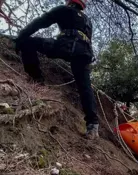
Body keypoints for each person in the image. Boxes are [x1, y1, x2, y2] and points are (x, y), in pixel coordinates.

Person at [14, 0, 99, 140]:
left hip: (65, 46)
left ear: (70, 3)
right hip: (84, 53)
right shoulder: (87, 20)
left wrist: (20, 37)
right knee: (85, 87)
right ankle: (93, 125)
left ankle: (37, 79)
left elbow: (40, 22)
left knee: (28, 42)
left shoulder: (64, 10)